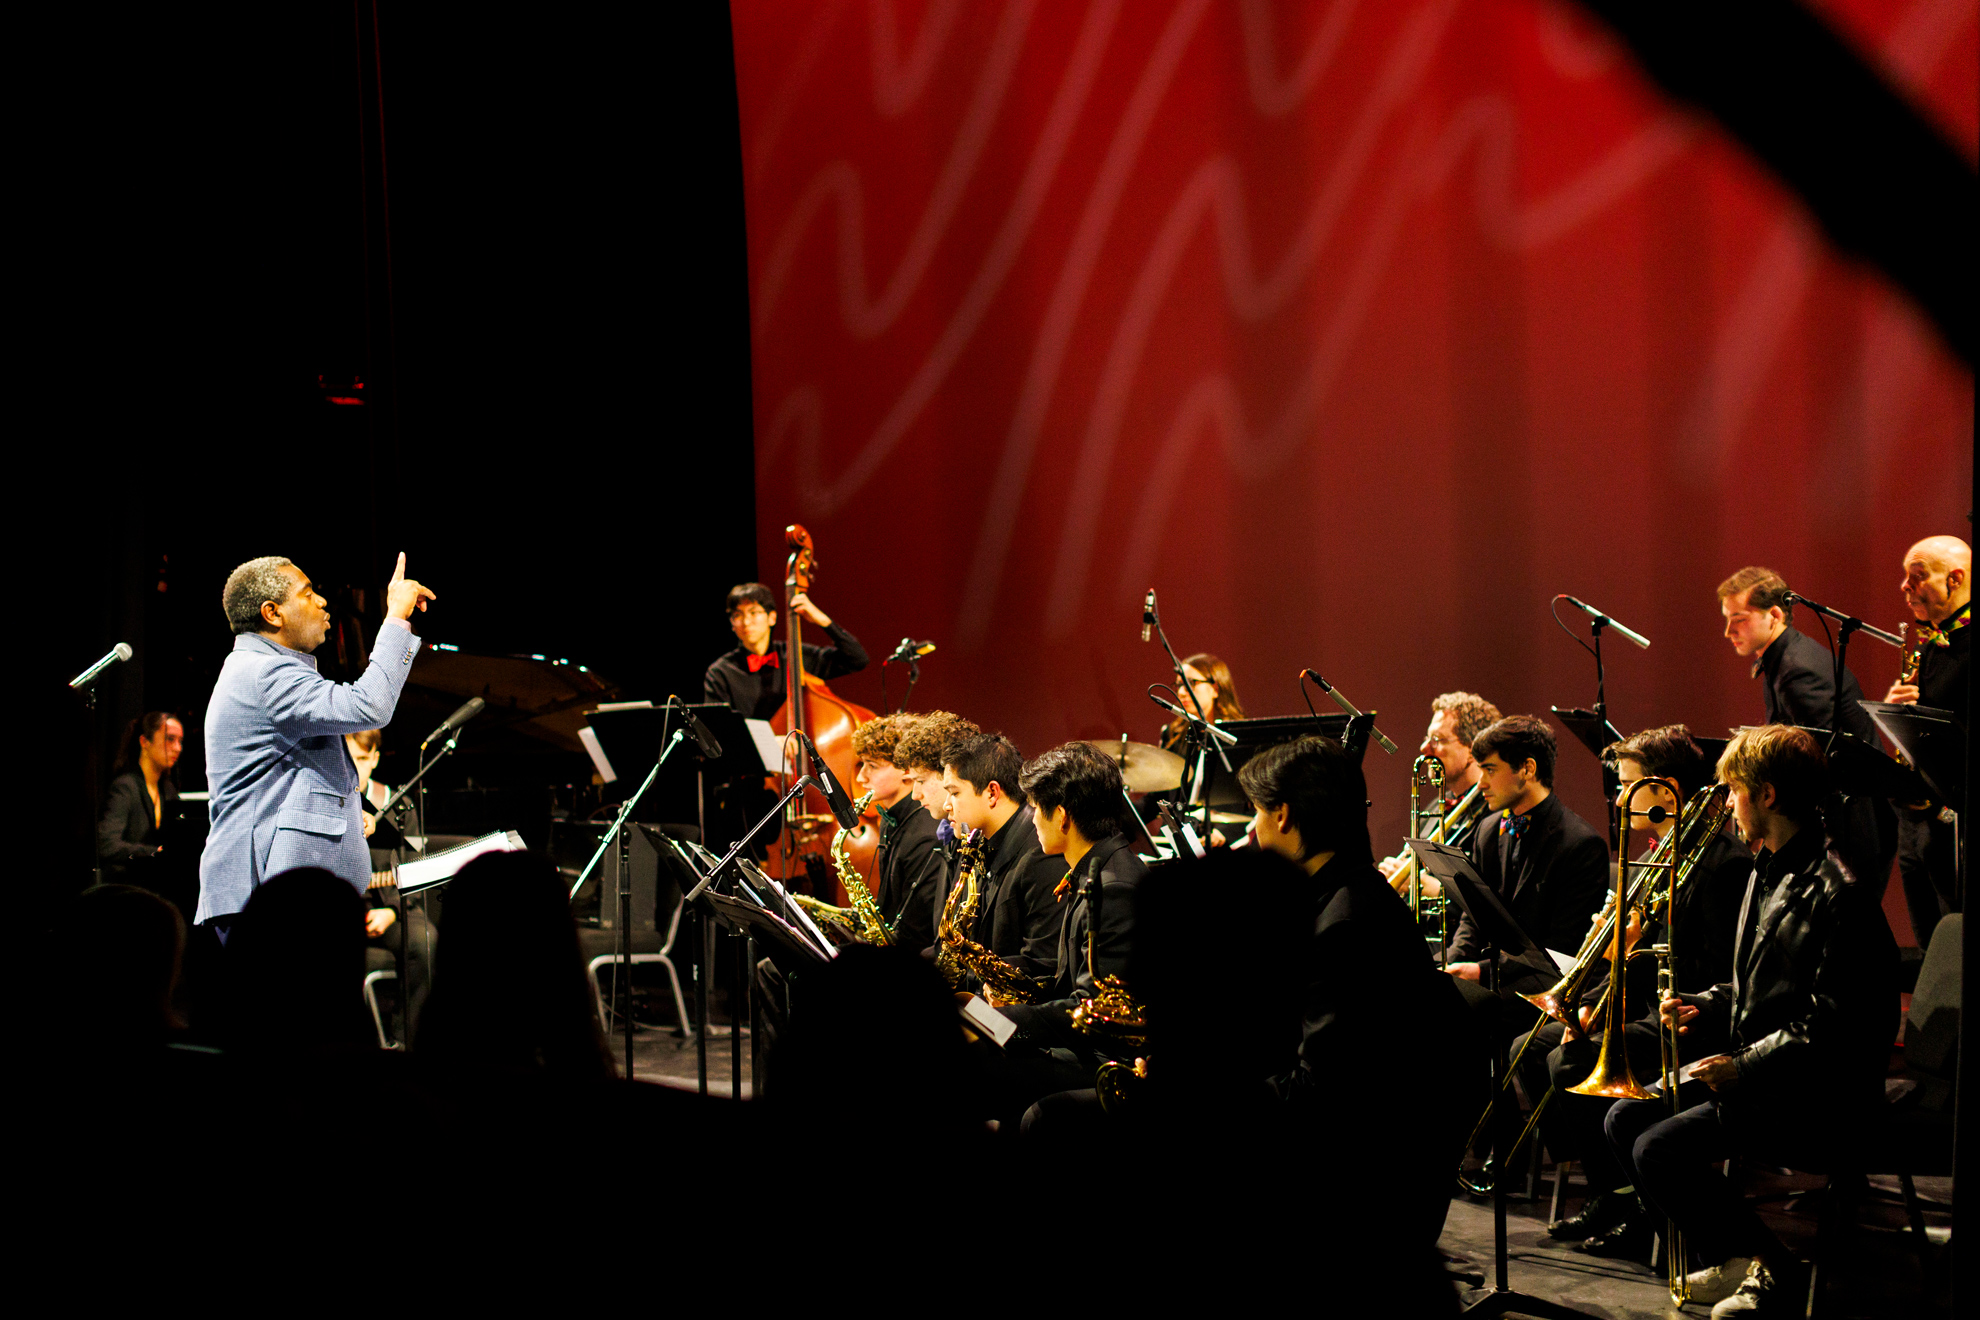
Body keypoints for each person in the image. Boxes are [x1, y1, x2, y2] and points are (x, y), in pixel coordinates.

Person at [1604, 725, 1898, 1318]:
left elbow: (1838, 1022)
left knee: (1657, 1148)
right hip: (1770, 1075)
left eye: (1733, 789)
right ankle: (1738, 1259)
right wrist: (1704, 1003)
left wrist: (1742, 1065)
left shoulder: (1840, 892)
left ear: (1765, 795)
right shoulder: (1769, 868)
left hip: (1817, 1093)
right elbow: (1756, 983)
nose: (1726, 804)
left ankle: (1776, 1271)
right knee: (1624, 1115)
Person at [1240, 735, 1481, 1260]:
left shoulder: (1345, 923)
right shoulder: (1342, 891)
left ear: (1282, 816)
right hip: (1358, 1146)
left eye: (1254, 813)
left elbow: (1319, 1095)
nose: (1251, 830)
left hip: (1363, 1179)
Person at [1533, 726, 1750, 1257]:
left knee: (1569, 1063)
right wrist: (1592, 995)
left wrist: (1636, 944)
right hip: (1654, 1006)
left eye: (1629, 784)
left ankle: (1634, 1204)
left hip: (1694, 1021)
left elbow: (1720, 973)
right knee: (1536, 1048)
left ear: (1666, 788)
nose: (1619, 797)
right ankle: (1617, 1191)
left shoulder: (1723, 862)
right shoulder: (1664, 851)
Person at [197, 553, 434, 937]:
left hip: (284, 895)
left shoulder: (259, 669)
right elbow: (369, 705)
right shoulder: (265, 673)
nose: (322, 601)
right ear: (272, 613)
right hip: (269, 899)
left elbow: (284, 779)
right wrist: (395, 618)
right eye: (308, 594)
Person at [1717, 565, 1894, 889]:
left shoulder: (1797, 669)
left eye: (1738, 618)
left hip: (1848, 832)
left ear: (1774, 614)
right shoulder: (1785, 659)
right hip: (1844, 826)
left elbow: (1817, 761)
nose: (1729, 631)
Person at [993, 742, 1148, 1102]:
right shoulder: (1099, 867)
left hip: (1109, 1062)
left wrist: (1005, 1023)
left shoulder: (1115, 887)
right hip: (1085, 1049)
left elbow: (1094, 1010)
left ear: (1061, 815)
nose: (1032, 820)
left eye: (1035, 810)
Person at [1444, 715, 1610, 1044]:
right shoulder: (1489, 830)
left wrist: (1481, 973)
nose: (1481, 784)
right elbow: (1472, 916)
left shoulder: (1580, 844)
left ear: (1527, 769)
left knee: (1453, 1012)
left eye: (1490, 770)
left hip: (1544, 981)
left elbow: (1560, 952)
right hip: (1498, 971)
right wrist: (1456, 961)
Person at [1883, 535, 1969, 940]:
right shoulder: (1932, 642)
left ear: (1954, 579)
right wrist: (1892, 712)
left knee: (1954, 943)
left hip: (1953, 821)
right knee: (1927, 947)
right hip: (1915, 819)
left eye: (1917, 577)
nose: (1905, 587)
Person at [939, 733, 1064, 985]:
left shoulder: (1040, 853)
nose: (946, 805)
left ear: (992, 792)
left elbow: (1042, 963)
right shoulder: (979, 841)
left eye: (954, 793)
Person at [347, 727, 435, 1040]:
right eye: (345, 758)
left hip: (390, 902)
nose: (351, 766)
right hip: (343, 903)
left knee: (425, 941)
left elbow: (415, 867)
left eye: (358, 758)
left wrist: (392, 913)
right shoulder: (325, 802)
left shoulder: (399, 807)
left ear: (374, 759)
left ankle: (405, 1041)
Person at [1381, 690, 1502, 889]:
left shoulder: (1496, 813)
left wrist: (1429, 888)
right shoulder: (1434, 808)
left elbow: (1493, 899)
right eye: (1427, 738)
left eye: (1437, 739)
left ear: (1472, 749)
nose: (1424, 747)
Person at [849, 714, 947, 952]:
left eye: (872, 766)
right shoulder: (889, 819)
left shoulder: (925, 835)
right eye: (861, 764)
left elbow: (917, 931)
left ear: (906, 769)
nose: (861, 777)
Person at [701, 581, 868, 719]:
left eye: (754, 612)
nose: (746, 622)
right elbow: (719, 729)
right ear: (732, 623)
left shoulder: (795, 655)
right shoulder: (720, 673)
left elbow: (857, 659)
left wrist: (821, 620)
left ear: (772, 618)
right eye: (738, 615)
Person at [98, 711, 184, 887]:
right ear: (145, 742)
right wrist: (153, 852)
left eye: (180, 741)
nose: (178, 748)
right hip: (125, 887)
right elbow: (107, 844)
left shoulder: (168, 790)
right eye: (170, 739)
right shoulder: (125, 787)